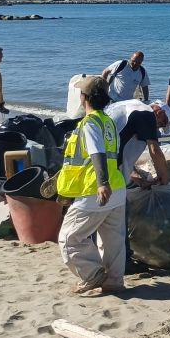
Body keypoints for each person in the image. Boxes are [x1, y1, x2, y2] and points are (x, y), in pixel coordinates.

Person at [56, 76, 127, 297]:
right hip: (118, 190)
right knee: (112, 240)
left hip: (95, 191)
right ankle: (114, 281)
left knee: (69, 238)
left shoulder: (90, 123)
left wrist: (102, 183)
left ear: (83, 97)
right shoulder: (109, 122)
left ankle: (93, 274)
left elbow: (97, 153)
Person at [104, 99, 170, 186]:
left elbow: (124, 145)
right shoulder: (147, 114)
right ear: (160, 113)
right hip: (110, 173)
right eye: (161, 124)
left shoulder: (129, 105)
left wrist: (139, 180)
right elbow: (155, 152)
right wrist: (164, 184)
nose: (158, 128)